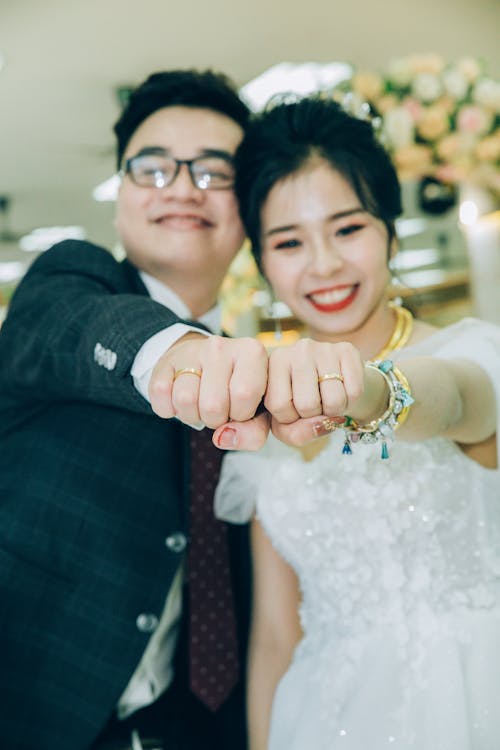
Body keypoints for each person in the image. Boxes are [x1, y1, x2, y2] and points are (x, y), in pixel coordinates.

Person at [215, 96, 500, 750]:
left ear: (390, 232)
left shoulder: (473, 353)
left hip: (476, 695)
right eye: (289, 242)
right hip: (325, 717)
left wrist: (371, 390)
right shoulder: (265, 420)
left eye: (348, 228)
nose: (324, 265)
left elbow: (454, 399)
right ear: (261, 261)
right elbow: (276, 636)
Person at [0, 69, 271, 750]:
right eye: (152, 168)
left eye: (214, 171)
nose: (181, 187)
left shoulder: (255, 375)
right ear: (121, 194)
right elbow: (79, 326)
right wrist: (188, 357)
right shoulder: (70, 282)